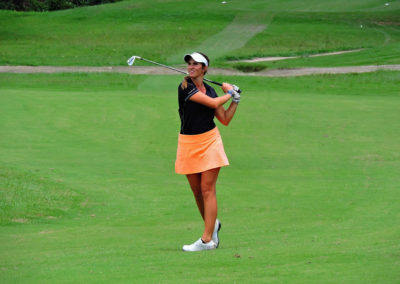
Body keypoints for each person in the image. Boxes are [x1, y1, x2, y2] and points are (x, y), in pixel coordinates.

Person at [175, 52, 240, 252]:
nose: (191, 67)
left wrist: (235, 99)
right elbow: (212, 104)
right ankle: (212, 227)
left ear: (205, 69)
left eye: (196, 64)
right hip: (188, 143)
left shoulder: (211, 90)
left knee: (207, 189)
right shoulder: (186, 87)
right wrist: (229, 93)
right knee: (196, 192)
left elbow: (225, 119)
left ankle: (206, 240)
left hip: (210, 141)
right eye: (189, 63)